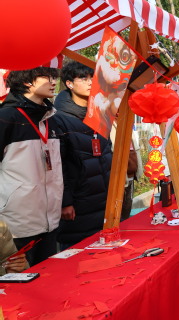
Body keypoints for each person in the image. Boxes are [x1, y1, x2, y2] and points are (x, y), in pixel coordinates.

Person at [0, 67, 63, 265]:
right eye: (47, 77)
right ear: (27, 81)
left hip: (50, 221)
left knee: (49, 278)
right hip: (16, 225)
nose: (53, 82)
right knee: (20, 281)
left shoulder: (50, 118)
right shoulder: (6, 117)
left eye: (54, 77)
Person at [54, 61, 113, 250]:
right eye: (83, 78)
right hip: (78, 203)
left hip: (104, 199)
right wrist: (65, 202)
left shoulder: (100, 114)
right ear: (69, 84)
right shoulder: (59, 119)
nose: (89, 83)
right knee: (77, 255)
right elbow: (60, 164)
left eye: (92, 78)